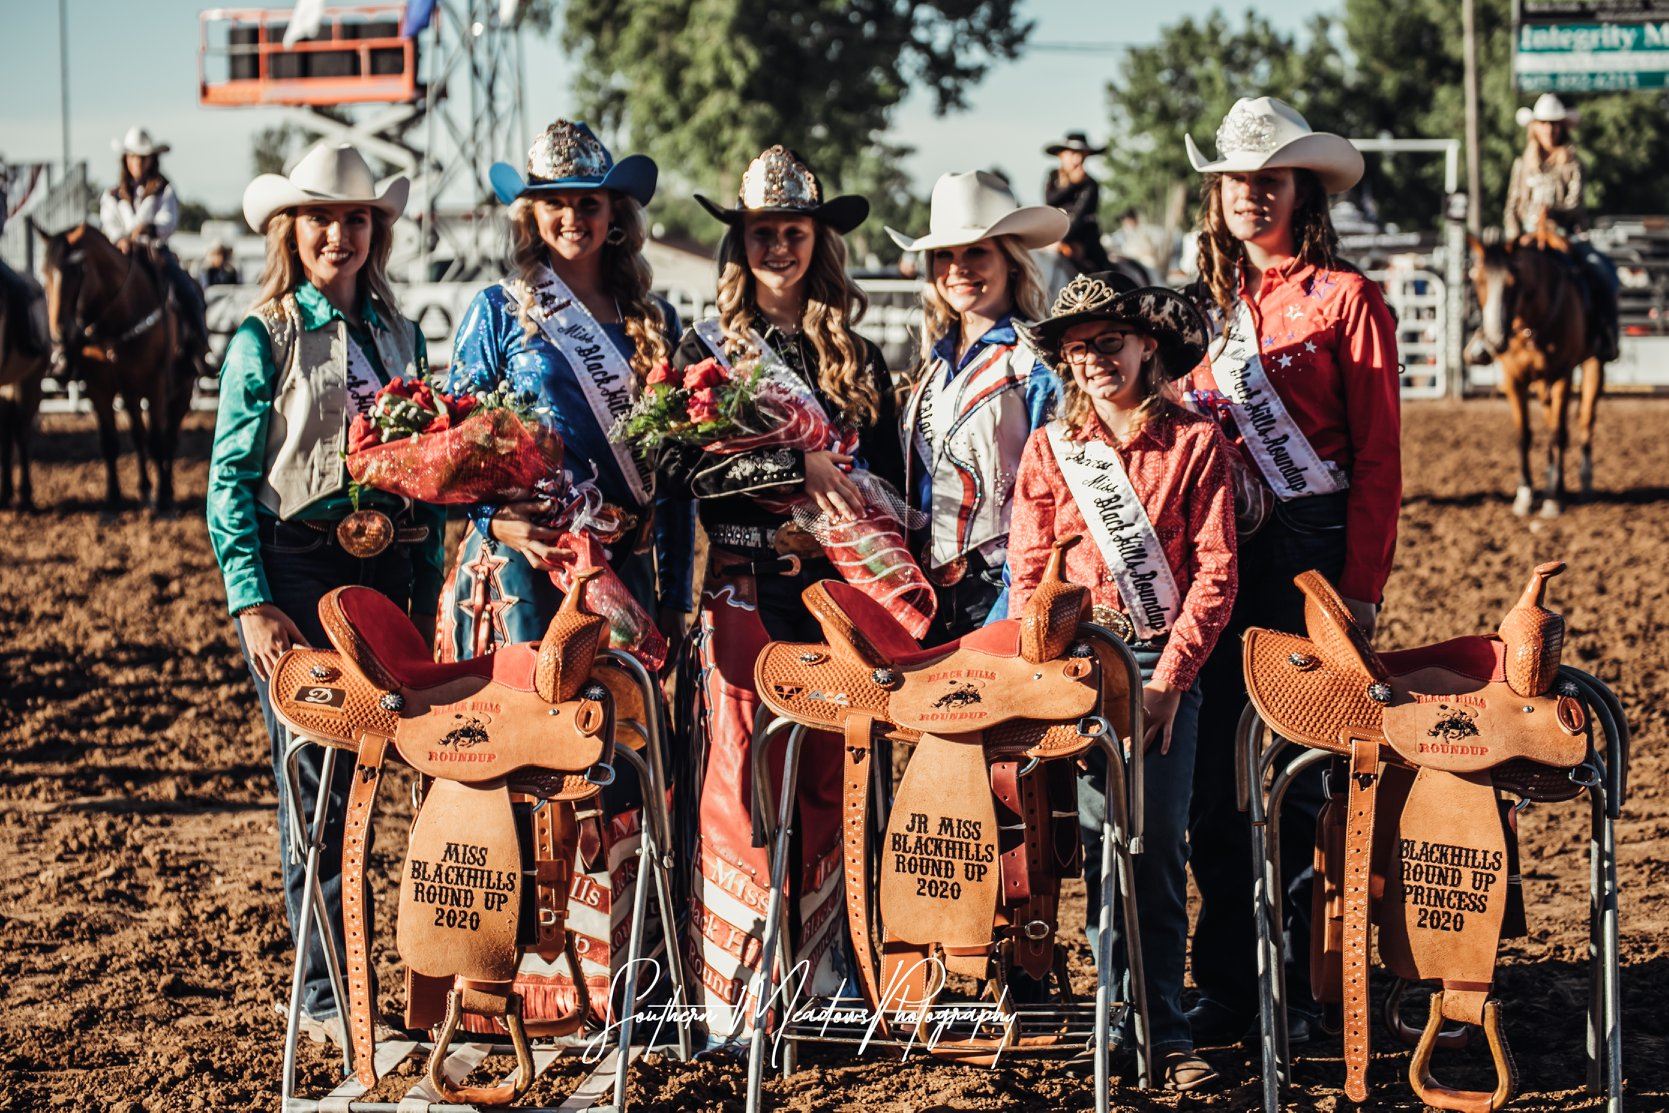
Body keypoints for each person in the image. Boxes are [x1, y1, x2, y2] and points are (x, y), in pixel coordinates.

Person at [441, 118, 691, 1021]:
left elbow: (677, 471)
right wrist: (493, 519)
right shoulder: (497, 311)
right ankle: (502, 972)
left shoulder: (655, 324)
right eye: (555, 205)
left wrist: (674, 583)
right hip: (525, 568)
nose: (573, 219)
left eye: (588, 203)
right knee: (519, 758)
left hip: (621, 568)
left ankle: (622, 966)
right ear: (531, 217)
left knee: (623, 757)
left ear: (614, 214)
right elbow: (455, 441)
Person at [207, 141, 444, 1046]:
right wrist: (251, 599)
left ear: (373, 232)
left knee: (371, 778)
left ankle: (363, 977)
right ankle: (320, 988)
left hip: (387, 566)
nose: (338, 235)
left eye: (355, 219)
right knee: (314, 783)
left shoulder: (401, 334)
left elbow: (424, 467)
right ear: (292, 232)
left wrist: (423, 586)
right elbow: (230, 477)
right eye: (322, 220)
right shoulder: (262, 335)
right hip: (296, 569)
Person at [1179, 96, 1402, 1048]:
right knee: (1214, 780)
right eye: (1235, 178)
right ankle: (1229, 983)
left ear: (1301, 189)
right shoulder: (1202, 308)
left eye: (1268, 178)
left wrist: (1357, 585)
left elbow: (1379, 455)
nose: (1248, 194)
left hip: (1309, 554)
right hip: (1211, 556)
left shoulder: (1347, 300)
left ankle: (1310, 986)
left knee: (1304, 774)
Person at [669, 144, 900, 1040]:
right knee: (739, 784)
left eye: (793, 231)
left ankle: (829, 973)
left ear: (818, 239)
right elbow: (688, 474)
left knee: (829, 784)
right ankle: (735, 987)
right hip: (741, 585)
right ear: (740, 242)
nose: (778, 247)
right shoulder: (704, 355)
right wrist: (792, 460)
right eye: (762, 233)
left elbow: (882, 482)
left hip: (836, 595)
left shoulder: (857, 354)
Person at [1010, 270, 1235, 1092]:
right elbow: (1029, 570)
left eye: (1109, 342)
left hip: (1152, 667)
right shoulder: (1048, 448)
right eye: (1078, 349)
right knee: (1098, 848)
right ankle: (1114, 1022)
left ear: (1147, 346)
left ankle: (1163, 1034)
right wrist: (1042, 676)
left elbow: (1214, 575)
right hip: (1073, 667)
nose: (1095, 359)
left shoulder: (1194, 442)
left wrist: (1168, 681)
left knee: (1150, 852)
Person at [886, 170, 1068, 641]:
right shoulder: (933, 363)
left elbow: (1056, 496)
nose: (957, 268)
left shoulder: (1036, 362)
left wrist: (1017, 599)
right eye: (944, 254)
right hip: (921, 589)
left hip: (997, 586)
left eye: (976, 253)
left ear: (1010, 262)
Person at [1502, 92, 1619, 362]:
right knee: (1497, 276)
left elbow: (1576, 204)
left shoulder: (1573, 163)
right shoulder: (1522, 165)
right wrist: (1514, 236)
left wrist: (1552, 212)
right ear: (1535, 127)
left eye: (1555, 124)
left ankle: (1605, 335)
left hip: (1565, 236)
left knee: (1602, 271)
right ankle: (1488, 335)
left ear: (1563, 128)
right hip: (1526, 239)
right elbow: (1512, 206)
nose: (1550, 129)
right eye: (1544, 123)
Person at [100, 126, 209, 366]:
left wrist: (146, 229)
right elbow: (109, 224)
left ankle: (200, 347)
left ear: (151, 159)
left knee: (189, 291)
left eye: (142, 157)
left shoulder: (163, 189)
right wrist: (121, 238)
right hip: (124, 256)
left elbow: (168, 222)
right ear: (126, 160)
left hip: (154, 253)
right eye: (133, 157)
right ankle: (85, 355)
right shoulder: (112, 195)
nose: (137, 162)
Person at [1043, 131, 1113, 279]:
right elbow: (1050, 200)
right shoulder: (1052, 176)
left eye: (1082, 154)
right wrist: (1073, 184)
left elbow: (1079, 217)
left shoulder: (1091, 184)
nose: (1078, 159)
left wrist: (1062, 240)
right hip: (1054, 234)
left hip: (1083, 239)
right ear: (1062, 155)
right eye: (1073, 153)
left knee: (1105, 275)